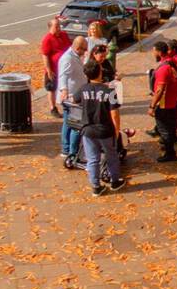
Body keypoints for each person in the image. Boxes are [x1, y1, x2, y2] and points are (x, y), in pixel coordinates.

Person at [70, 55, 126, 192]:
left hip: (88, 130)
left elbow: (74, 100)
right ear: (100, 73)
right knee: (111, 156)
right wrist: (116, 130)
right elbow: (114, 113)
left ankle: (96, 186)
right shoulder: (110, 91)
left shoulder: (83, 89)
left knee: (92, 159)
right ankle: (115, 181)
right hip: (105, 130)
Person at [54, 31, 91, 169]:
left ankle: (67, 148)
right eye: (84, 49)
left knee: (69, 122)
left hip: (75, 95)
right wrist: (64, 90)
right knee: (73, 124)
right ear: (78, 48)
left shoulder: (76, 56)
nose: (85, 51)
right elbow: (63, 76)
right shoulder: (67, 58)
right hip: (71, 98)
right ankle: (69, 150)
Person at [148, 39, 177, 162]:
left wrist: (152, 106)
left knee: (164, 128)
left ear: (159, 52)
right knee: (170, 125)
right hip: (172, 100)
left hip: (165, 103)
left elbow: (160, 90)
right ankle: (170, 146)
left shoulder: (164, 68)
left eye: (154, 51)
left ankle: (170, 153)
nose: (153, 54)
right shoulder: (171, 62)